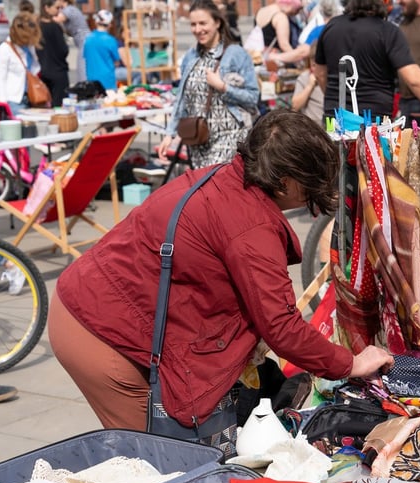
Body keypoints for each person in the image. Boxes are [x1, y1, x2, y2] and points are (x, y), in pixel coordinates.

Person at [47, 109, 395, 431]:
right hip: (99, 332)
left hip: (94, 303)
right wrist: (350, 363)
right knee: (156, 465)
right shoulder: (249, 227)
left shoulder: (227, 177)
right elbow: (282, 327)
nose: (310, 199)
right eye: (310, 185)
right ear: (286, 182)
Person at [157, 0, 259, 170]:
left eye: (203, 23)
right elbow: (182, 99)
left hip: (230, 136)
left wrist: (223, 87)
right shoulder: (191, 56)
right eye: (193, 24)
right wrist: (169, 134)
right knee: (204, 190)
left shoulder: (236, 54)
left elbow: (253, 98)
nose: (198, 29)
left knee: (218, 184)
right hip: (199, 138)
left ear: (217, 22)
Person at [314, 0, 420, 119]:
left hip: (335, 118)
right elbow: (414, 80)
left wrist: (339, 97)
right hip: (372, 123)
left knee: (332, 151)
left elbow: (320, 74)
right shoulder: (387, 31)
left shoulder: (331, 26)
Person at [0, 11, 42, 116]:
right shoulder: (5, 49)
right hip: (13, 100)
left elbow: (34, 68)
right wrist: (3, 104)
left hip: (30, 97)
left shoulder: (29, 47)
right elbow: (0, 78)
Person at [38, 0, 69, 107]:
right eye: (57, 8)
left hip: (42, 71)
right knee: (59, 107)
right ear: (47, 8)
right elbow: (64, 50)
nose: (59, 11)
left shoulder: (37, 27)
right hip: (58, 71)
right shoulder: (55, 27)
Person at [83, 10, 120, 92]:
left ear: (96, 22)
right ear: (110, 24)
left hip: (92, 80)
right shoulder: (111, 40)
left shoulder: (87, 39)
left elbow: (86, 58)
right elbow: (116, 62)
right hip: (107, 81)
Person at [55, 0, 90, 83]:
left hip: (83, 40)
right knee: (84, 66)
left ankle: (84, 88)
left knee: (82, 68)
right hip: (83, 40)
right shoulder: (71, 9)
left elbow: (57, 20)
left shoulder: (68, 10)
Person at [290, 42, 324, 124]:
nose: (314, 67)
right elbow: (295, 105)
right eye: (312, 63)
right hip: (312, 128)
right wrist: (309, 86)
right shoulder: (305, 78)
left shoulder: (331, 77)